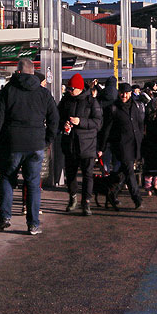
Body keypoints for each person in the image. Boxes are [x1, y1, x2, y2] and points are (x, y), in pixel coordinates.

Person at [0, 58, 58, 235]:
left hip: (12, 143)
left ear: (18, 72)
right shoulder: (43, 93)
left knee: (7, 179)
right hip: (36, 143)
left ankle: (4, 217)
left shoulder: (8, 91)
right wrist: (47, 140)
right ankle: (33, 224)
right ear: (33, 73)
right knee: (33, 183)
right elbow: (54, 119)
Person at [57, 73, 103, 216]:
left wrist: (80, 122)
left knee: (88, 174)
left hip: (87, 144)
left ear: (80, 88)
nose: (69, 91)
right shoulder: (65, 101)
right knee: (70, 175)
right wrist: (63, 124)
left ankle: (86, 202)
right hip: (70, 143)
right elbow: (57, 118)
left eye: (72, 89)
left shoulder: (91, 102)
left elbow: (98, 123)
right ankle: (72, 198)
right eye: (68, 89)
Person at [98, 83, 144, 210]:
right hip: (121, 145)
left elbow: (140, 125)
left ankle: (112, 192)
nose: (124, 95)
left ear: (131, 93)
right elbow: (106, 129)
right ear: (118, 93)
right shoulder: (113, 108)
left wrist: (141, 141)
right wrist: (101, 148)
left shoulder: (136, 106)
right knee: (129, 171)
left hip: (135, 144)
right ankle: (137, 198)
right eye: (122, 93)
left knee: (123, 172)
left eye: (127, 93)